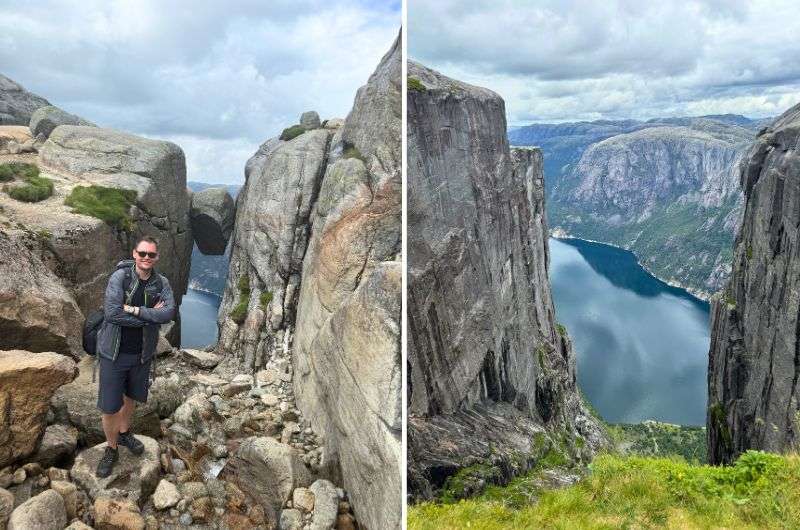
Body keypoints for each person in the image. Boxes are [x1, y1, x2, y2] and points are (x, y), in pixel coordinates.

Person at [94, 235, 175, 477]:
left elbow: (169, 313)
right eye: (143, 254)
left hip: (141, 355)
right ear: (134, 254)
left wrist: (135, 309)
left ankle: (124, 432)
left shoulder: (161, 283)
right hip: (113, 353)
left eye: (151, 254)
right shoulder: (120, 277)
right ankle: (111, 449)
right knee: (109, 407)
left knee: (131, 398)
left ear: (156, 257)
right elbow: (111, 313)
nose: (146, 258)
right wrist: (149, 316)